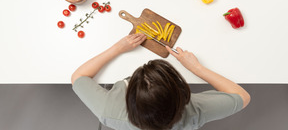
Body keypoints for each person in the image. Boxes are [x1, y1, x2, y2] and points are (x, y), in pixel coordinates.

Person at [71, 33, 250, 130]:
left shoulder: (108, 111)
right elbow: (242, 96)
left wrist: (117, 48)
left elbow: (79, 77)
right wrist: (197, 69)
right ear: (181, 95)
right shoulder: (194, 112)